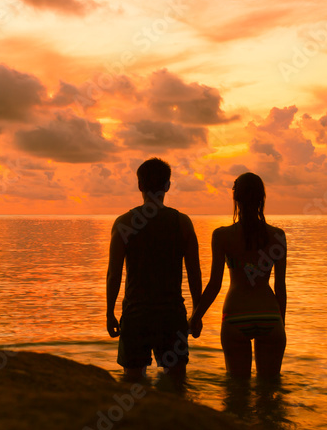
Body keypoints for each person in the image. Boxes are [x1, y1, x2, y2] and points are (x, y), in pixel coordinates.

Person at [106, 158, 202, 381]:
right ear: (167, 185)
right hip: (171, 314)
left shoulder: (124, 223)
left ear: (139, 185)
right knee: (176, 383)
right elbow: (194, 273)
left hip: (136, 314)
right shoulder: (182, 223)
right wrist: (197, 313)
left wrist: (110, 312)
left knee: (132, 382)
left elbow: (114, 273)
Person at [188, 172, 287, 379]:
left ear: (235, 198)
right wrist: (281, 324)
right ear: (262, 199)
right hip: (270, 314)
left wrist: (196, 316)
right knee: (269, 392)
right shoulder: (277, 236)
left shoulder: (222, 236)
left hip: (236, 315)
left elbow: (215, 285)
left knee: (237, 392)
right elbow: (280, 287)